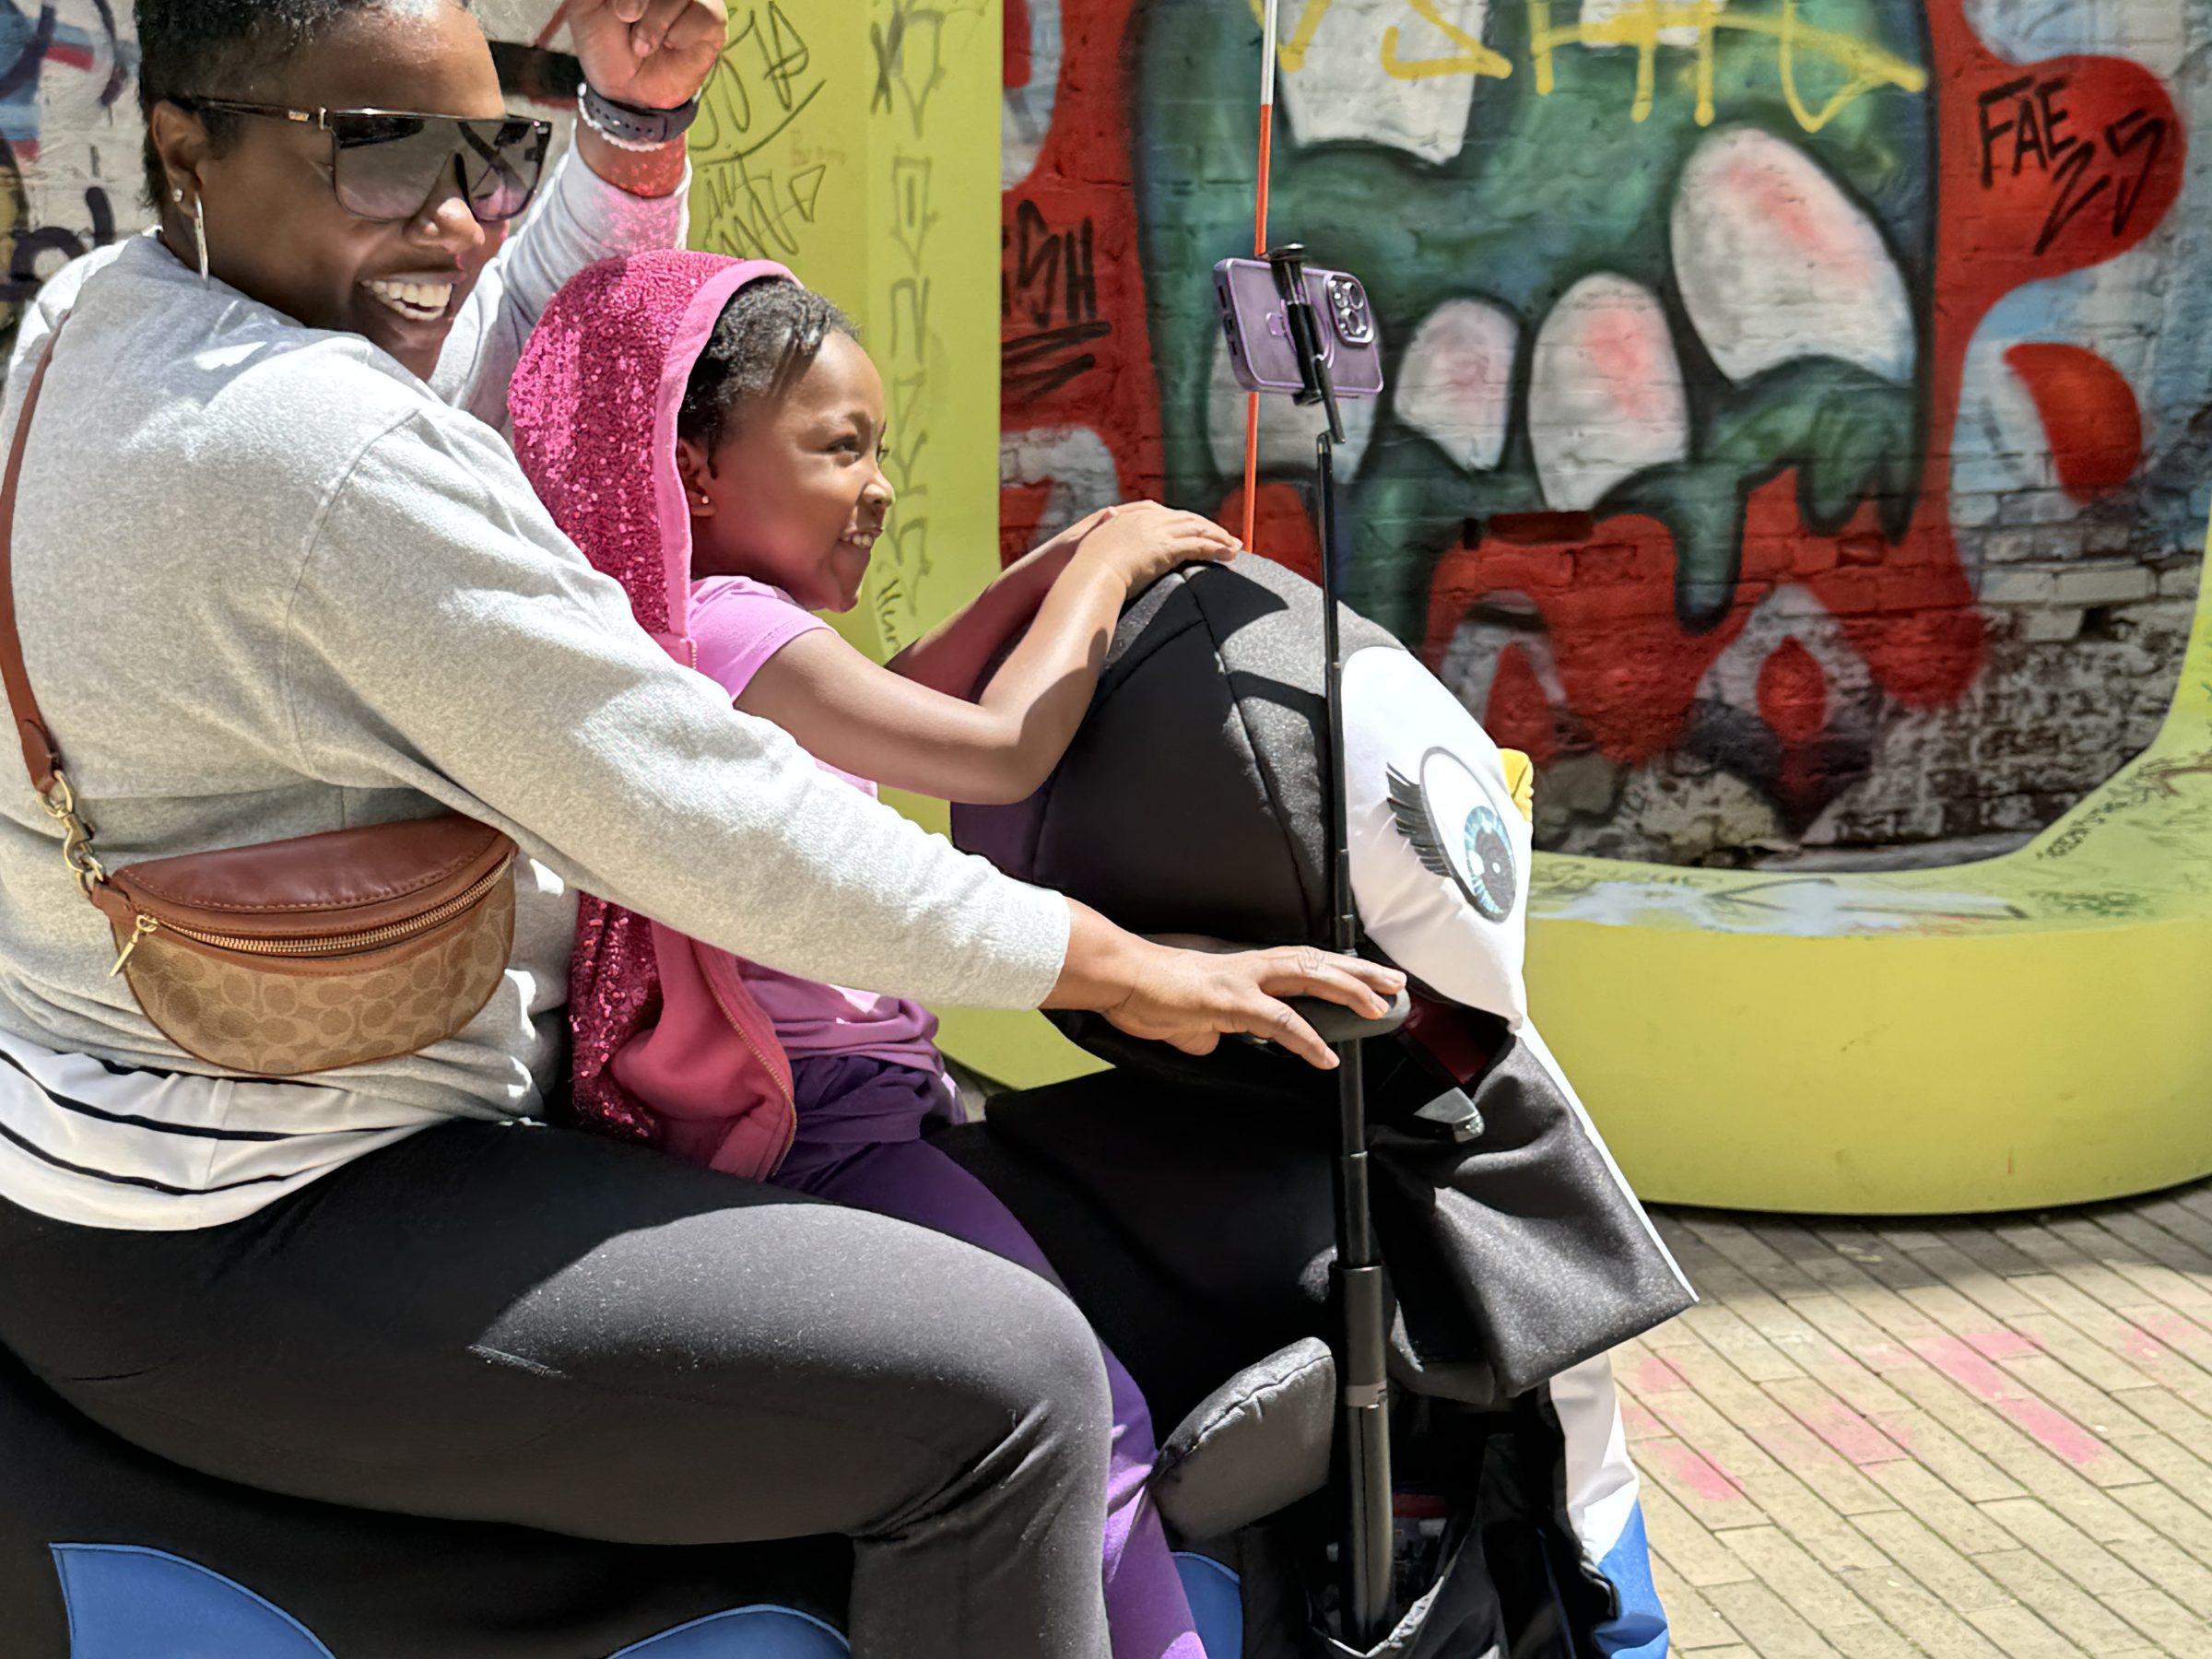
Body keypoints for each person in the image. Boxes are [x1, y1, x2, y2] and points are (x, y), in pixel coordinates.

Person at [0, 5, 1401, 1657]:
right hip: (268, 1224)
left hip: (117, 1165)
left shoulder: (108, 310)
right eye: (381, 146)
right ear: (187, 146)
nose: (452, 218)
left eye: (489, 154)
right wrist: (1100, 962)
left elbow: (478, 346)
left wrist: (618, 133)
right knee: (1013, 1383)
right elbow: (693, 810)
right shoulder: (316, 457)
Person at [510, 253, 1241, 1659]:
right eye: (839, 447)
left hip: (856, 1118)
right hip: (832, 1138)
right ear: (697, 473)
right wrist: (1104, 569)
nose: (879, 486)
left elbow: (906, 692)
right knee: (1094, 1416)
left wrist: (1048, 576)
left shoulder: (692, 635)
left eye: (880, 448)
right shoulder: (729, 627)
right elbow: (996, 741)